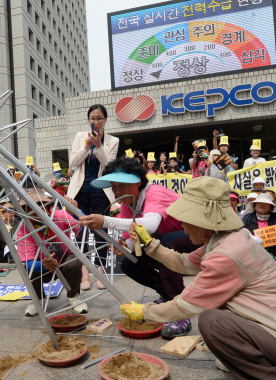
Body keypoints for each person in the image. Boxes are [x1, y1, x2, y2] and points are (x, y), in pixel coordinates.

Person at [121, 176, 276, 380]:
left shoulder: (225, 254)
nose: (182, 225)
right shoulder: (229, 238)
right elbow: (183, 263)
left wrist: (145, 312)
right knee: (219, 311)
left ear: (204, 220)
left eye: (186, 219)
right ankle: (248, 358)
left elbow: (185, 305)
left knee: (212, 322)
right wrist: (150, 244)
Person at [80, 157, 199, 339]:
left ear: (137, 181)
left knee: (166, 242)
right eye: (113, 186)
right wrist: (124, 245)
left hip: (194, 237)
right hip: (165, 242)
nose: (117, 191)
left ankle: (179, 311)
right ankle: (168, 295)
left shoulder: (155, 193)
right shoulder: (128, 204)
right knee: (130, 264)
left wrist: (105, 221)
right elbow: (131, 238)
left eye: (121, 185)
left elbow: (150, 225)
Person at [67, 104, 119, 290]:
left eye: (99, 118)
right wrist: (86, 146)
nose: (95, 122)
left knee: (100, 231)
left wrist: (98, 147)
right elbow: (72, 162)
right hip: (79, 191)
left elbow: (109, 165)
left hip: (101, 191)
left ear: (105, 120)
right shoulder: (80, 137)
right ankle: (83, 272)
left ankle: (99, 270)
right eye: (92, 118)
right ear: (88, 120)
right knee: (80, 231)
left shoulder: (113, 140)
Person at [16, 190, 86, 316]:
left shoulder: (61, 215)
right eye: (29, 207)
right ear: (24, 211)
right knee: (28, 269)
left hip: (64, 259)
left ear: (47, 206)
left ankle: (73, 297)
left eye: (39, 205)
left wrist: (76, 213)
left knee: (74, 262)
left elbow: (83, 228)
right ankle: (37, 300)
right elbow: (27, 262)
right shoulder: (24, 229)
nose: (35, 211)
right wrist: (43, 265)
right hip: (42, 265)